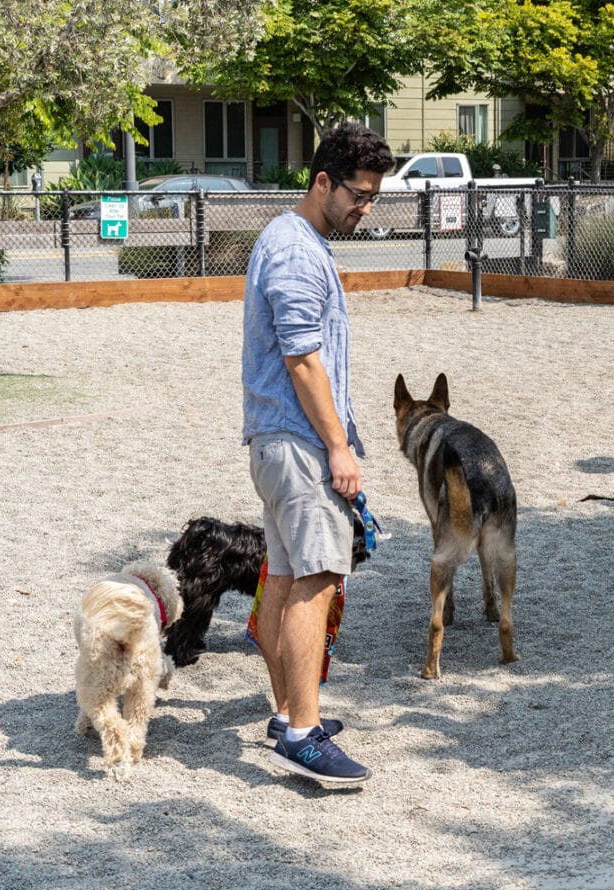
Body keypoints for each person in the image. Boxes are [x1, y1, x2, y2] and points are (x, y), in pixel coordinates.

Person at [242, 122, 394, 784]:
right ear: (322, 182)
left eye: (373, 197)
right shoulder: (298, 253)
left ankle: (286, 714)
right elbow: (304, 360)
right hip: (300, 444)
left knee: (282, 576)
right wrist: (340, 448)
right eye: (358, 195)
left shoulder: (291, 240)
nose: (365, 208)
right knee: (317, 579)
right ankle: (302, 733)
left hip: (276, 441)